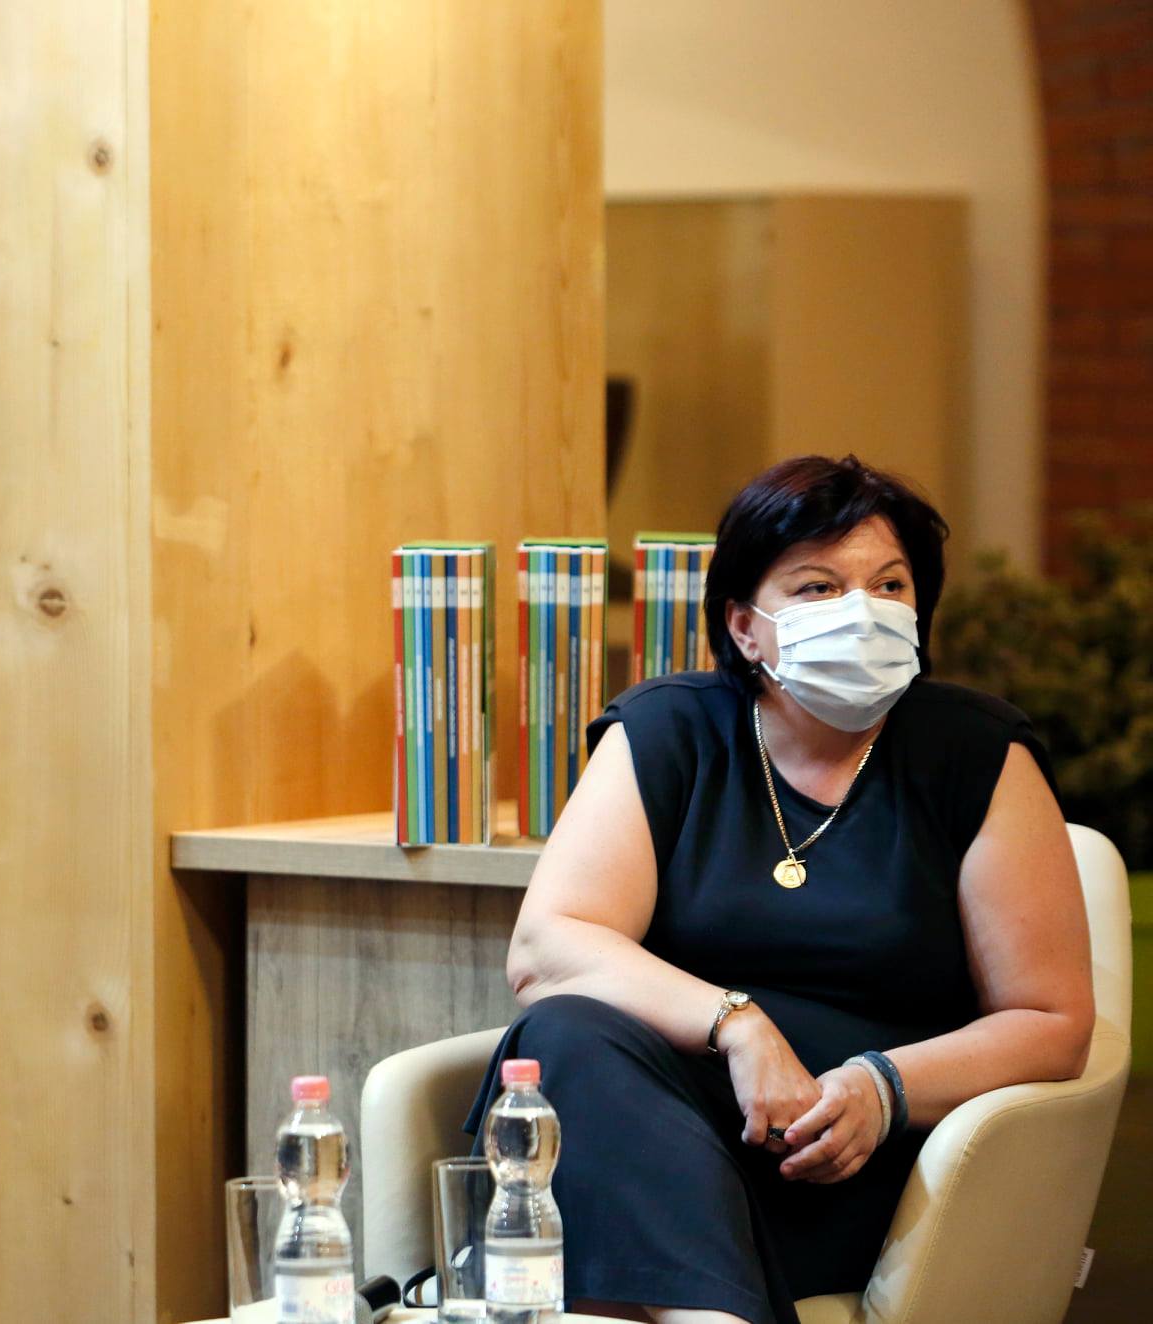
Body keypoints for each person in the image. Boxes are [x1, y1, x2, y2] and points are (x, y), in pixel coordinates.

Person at [466, 455, 1094, 1324]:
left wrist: (882, 1087)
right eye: (817, 588)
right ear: (744, 626)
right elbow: (548, 948)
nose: (862, 611)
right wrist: (738, 1024)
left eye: (889, 585)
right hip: (684, 1130)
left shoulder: (977, 754)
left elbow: (1052, 1020)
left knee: (599, 1194)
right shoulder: (668, 731)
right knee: (564, 1030)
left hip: (860, 1159)